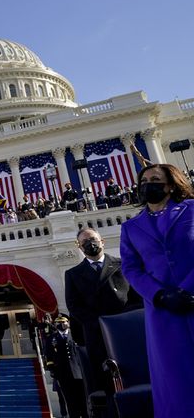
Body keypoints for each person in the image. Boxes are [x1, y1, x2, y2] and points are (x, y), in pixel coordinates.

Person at [119, 163, 194, 417]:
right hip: (163, 311)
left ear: (171, 185)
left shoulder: (191, 210)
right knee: (175, 378)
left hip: (193, 298)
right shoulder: (130, 228)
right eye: (143, 181)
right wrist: (160, 294)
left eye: (155, 179)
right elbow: (131, 269)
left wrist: (186, 289)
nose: (147, 184)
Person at [64, 228, 142, 393]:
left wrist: (122, 319)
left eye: (92, 239)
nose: (89, 244)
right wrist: (99, 322)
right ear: (79, 247)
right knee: (106, 385)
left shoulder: (122, 265)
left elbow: (137, 297)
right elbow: (73, 305)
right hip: (97, 335)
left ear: (102, 241)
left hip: (127, 331)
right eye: (84, 242)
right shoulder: (73, 274)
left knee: (136, 379)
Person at [44, 315, 87, 418]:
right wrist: (52, 370)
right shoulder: (51, 338)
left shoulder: (75, 334)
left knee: (83, 397)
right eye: (59, 323)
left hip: (78, 372)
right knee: (70, 399)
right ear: (55, 324)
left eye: (64, 322)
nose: (62, 324)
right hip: (63, 373)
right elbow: (49, 355)